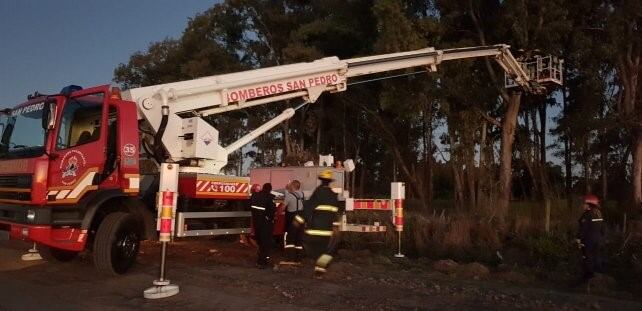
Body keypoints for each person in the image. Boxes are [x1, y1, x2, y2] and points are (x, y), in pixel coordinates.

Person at [298, 169, 342, 278]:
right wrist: (336, 227)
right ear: (330, 181)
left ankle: (318, 266)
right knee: (327, 251)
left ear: (321, 181)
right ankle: (319, 270)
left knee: (312, 249)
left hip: (314, 230)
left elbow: (308, 208)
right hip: (327, 231)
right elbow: (336, 212)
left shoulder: (318, 192)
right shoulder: (333, 195)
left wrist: (299, 220)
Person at [576, 194, 605, 283]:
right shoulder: (598, 213)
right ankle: (599, 274)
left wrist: (579, 238)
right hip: (598, 239)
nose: (582, 205)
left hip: (588, 240)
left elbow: (583, 229)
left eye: (584, 203)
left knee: (587, 257)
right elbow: (603, 228)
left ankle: (588, 276)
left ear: (589, 204)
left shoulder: (586, 215)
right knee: (597, 256)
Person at [250, 183, 276, 269]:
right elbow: (272, 211)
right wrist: (270, 219)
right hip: (266, 223)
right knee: (266, 243)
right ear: (270, 189)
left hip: (256, 222)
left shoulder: (255, 196)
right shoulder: (269, 198)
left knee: (260, 241)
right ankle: (262, 262)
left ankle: (261, 259)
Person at [281, 180, 305, 264]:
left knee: (290, 238)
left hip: (293, 219)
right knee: (299, 239)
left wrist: (277, 213)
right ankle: (298, 259)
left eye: (291, 185)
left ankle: (289, 258)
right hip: (301, 219)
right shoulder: (302, 194)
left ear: (293, 186)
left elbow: (283, 208)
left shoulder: (289, 196)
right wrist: (288, 189)